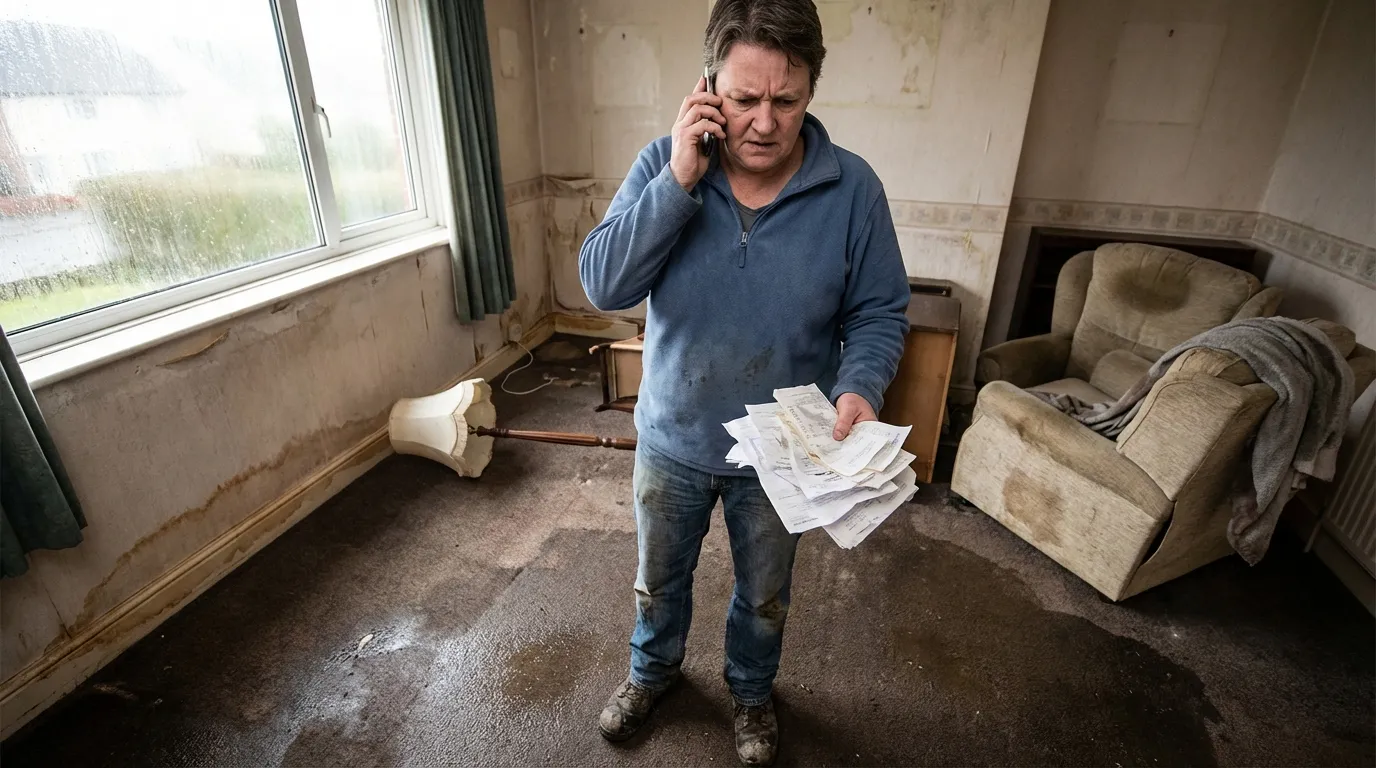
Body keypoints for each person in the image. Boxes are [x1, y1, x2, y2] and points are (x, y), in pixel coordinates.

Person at [579, 0, 909, 764]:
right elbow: (603, 285)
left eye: (785, 100)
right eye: (743, 98)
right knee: (659, 581)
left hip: (781, 450)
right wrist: (678, 178)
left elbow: (879, 311)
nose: (765, 122)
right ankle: (651, 672)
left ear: (811, 92)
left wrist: (861, 388)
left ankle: (752, 695)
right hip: (674, 434)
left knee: (765, 596)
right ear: (707, 87)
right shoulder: (662, 165)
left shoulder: (853, 190)